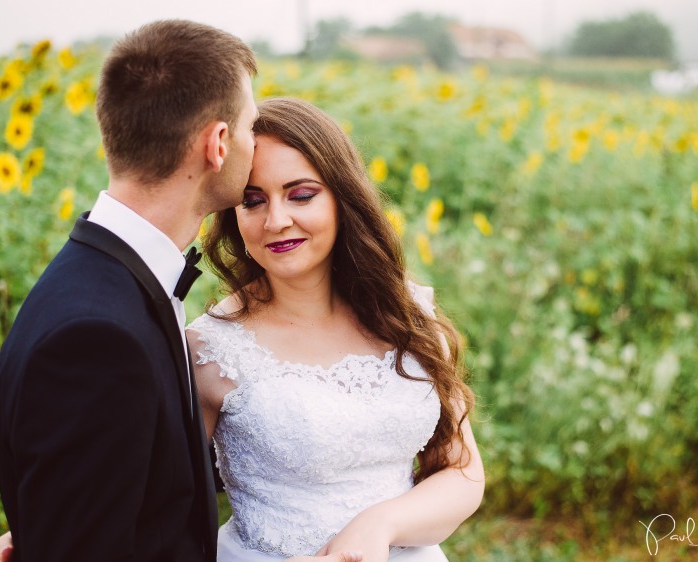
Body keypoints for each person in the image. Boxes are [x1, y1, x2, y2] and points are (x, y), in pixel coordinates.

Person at [0, 21, 360, 562]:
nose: (256, 144)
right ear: (218, 143)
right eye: (252, 126)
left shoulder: (107, 287)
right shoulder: (96, 338)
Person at [186, 97, 485, 562]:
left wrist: (379, 525)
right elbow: (168, 512)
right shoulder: (211, 348)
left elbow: (462, 473)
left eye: (301, 194)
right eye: (253, 200)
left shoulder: (408, 314)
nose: (276, 220)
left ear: (343, 198)